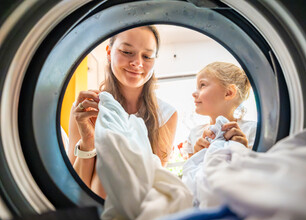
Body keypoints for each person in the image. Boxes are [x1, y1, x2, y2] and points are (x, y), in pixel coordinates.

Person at [67, 26, 178, 198]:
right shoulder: (86, 108)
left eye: (147, 56)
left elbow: (155, 181)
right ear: (109, 52)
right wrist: (88, 143)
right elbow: (73, 188)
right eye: (127, 52)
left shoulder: (166, 115)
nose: (137, 63)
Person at [182, 62, 257, 158]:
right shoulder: (194, 135)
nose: (193, 93)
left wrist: (243, 151)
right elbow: (191, 171)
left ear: (228, 93)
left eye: (202, 85)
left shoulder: (252, 131)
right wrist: (197, 156)